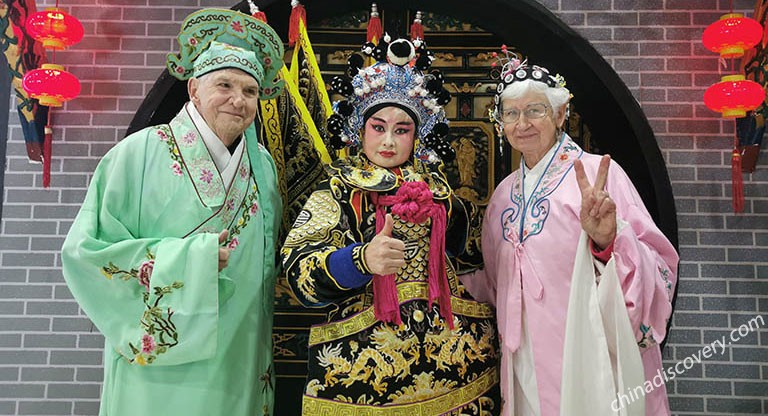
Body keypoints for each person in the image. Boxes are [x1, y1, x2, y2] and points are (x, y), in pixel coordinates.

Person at [60, 8, 284, 416]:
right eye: (225, 85)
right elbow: (85, 252)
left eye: (250, 91)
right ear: (194, 89)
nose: (238, 100)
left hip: (239, 355)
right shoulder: (138, 153)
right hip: (159, 367)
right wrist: (188, 262)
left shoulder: (263, 168)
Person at [280, 37, 502, 415]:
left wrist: (450, 217)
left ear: (416, 136)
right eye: (378, 127)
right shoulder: (339, 187)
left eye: (401, 130)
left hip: (452, 361)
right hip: (364, 364)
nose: (387, 140)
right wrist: (360, 260)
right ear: (359, 129)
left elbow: (476, 253)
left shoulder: (437, 187)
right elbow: (298, 269)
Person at [460, 53, 679, 416]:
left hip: (589, 354)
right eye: (511, 113)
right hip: (523, 359)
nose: (522, 123)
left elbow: (657, 265)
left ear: (561, 114)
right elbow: (495, 285)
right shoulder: (502, 197)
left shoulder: (598, 177)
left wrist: (609, 242)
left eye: (535, 110)